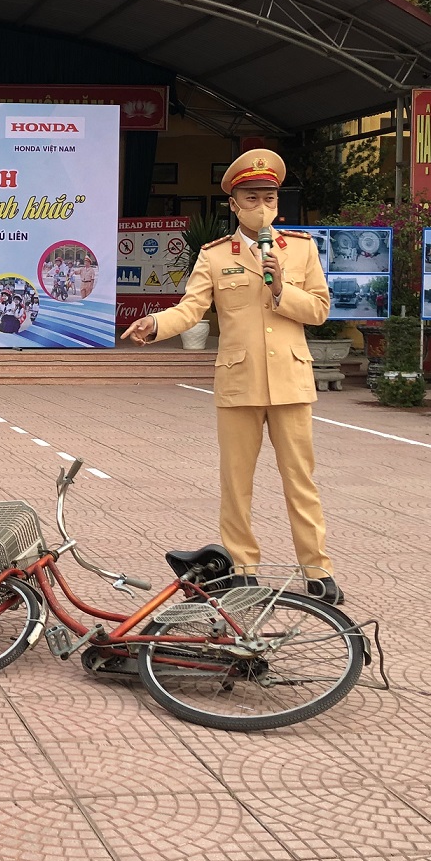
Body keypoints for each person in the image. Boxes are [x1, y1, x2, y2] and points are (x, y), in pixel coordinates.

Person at [121, 148, 344, 605]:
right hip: (239, 382)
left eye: (269, 197)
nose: (262, 205)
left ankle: (317, 569)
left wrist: (281, 287)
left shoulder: (301, 249)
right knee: (236, 484)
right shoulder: (215, 255)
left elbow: (320, 310)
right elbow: (191, 309)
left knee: (301, 481)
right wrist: (155, 324)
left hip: (290, 381)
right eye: (252, 197)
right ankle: (243, 568)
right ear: (234, 204)